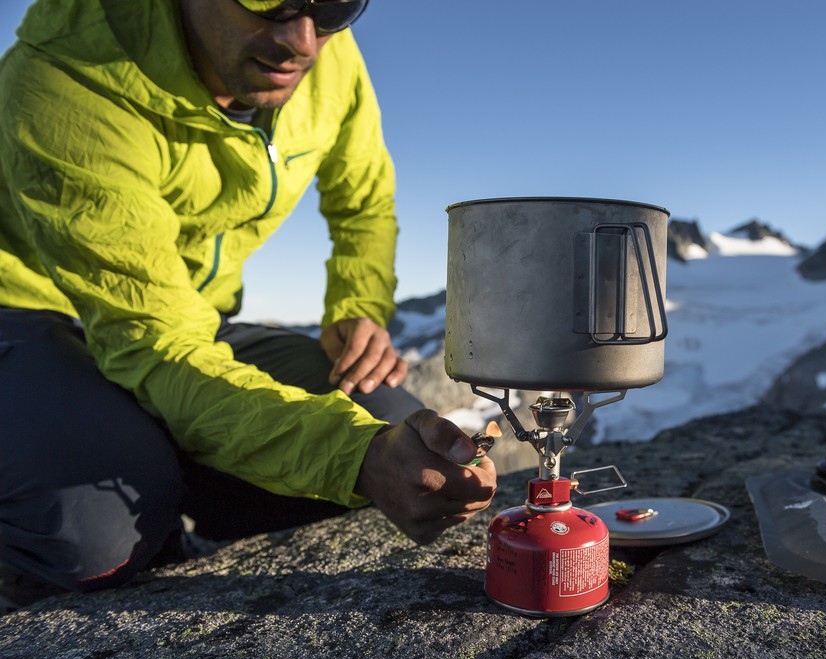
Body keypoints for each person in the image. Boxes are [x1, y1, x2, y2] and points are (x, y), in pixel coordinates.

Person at [0, 0, 496, 610]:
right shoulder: (67, 79)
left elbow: (362, 200)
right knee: (93, 538)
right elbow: (155, 343)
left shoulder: (327, 50)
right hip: (33, 312)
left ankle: (166, 475)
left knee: (390, 422)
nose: (303, 43)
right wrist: (350, 456)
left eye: (335, 8)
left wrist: (357, 305)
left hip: (193, 316)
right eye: (268, 4)